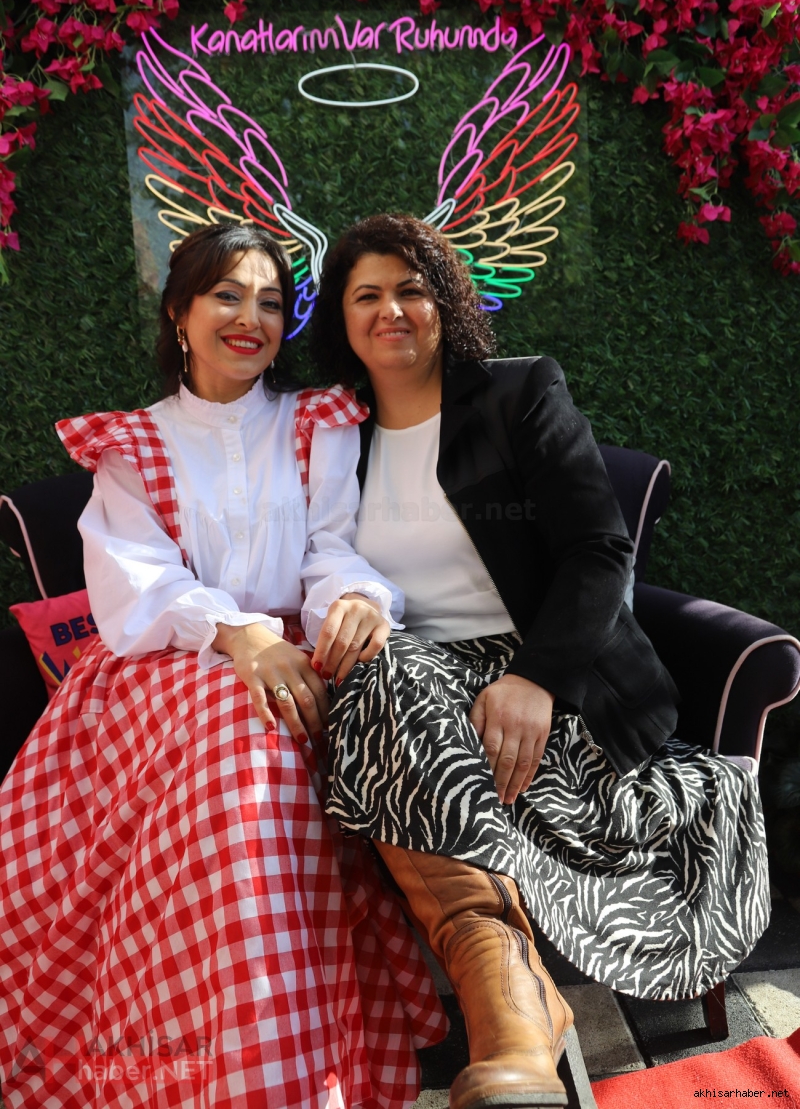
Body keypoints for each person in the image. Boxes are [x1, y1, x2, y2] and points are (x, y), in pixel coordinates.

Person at [311, 213, 769, 1109]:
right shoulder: (334, 431)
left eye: (411, 289)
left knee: (389, 686)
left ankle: (517, 1027)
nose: (390, 310)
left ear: (446, 302)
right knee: (386, 672)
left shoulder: (516, 394)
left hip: (548, 683)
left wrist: (537, 678)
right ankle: (518, 1012)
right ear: (341, 317)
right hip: (415, 686)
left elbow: (600, 549)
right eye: (367, 294)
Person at [0, 223, 446, 1109]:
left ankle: (261, 1059)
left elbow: (332, 548)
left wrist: (356, 600)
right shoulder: (133, 446)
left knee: (265, 724)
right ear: (180, 313)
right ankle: (241, 1061)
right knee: (248, 728)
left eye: (271, 303)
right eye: (227, 296)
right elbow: (138, 585)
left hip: (297, 656)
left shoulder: (316, 424)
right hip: (162, 668)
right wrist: (238, 636)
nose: (251, 319)